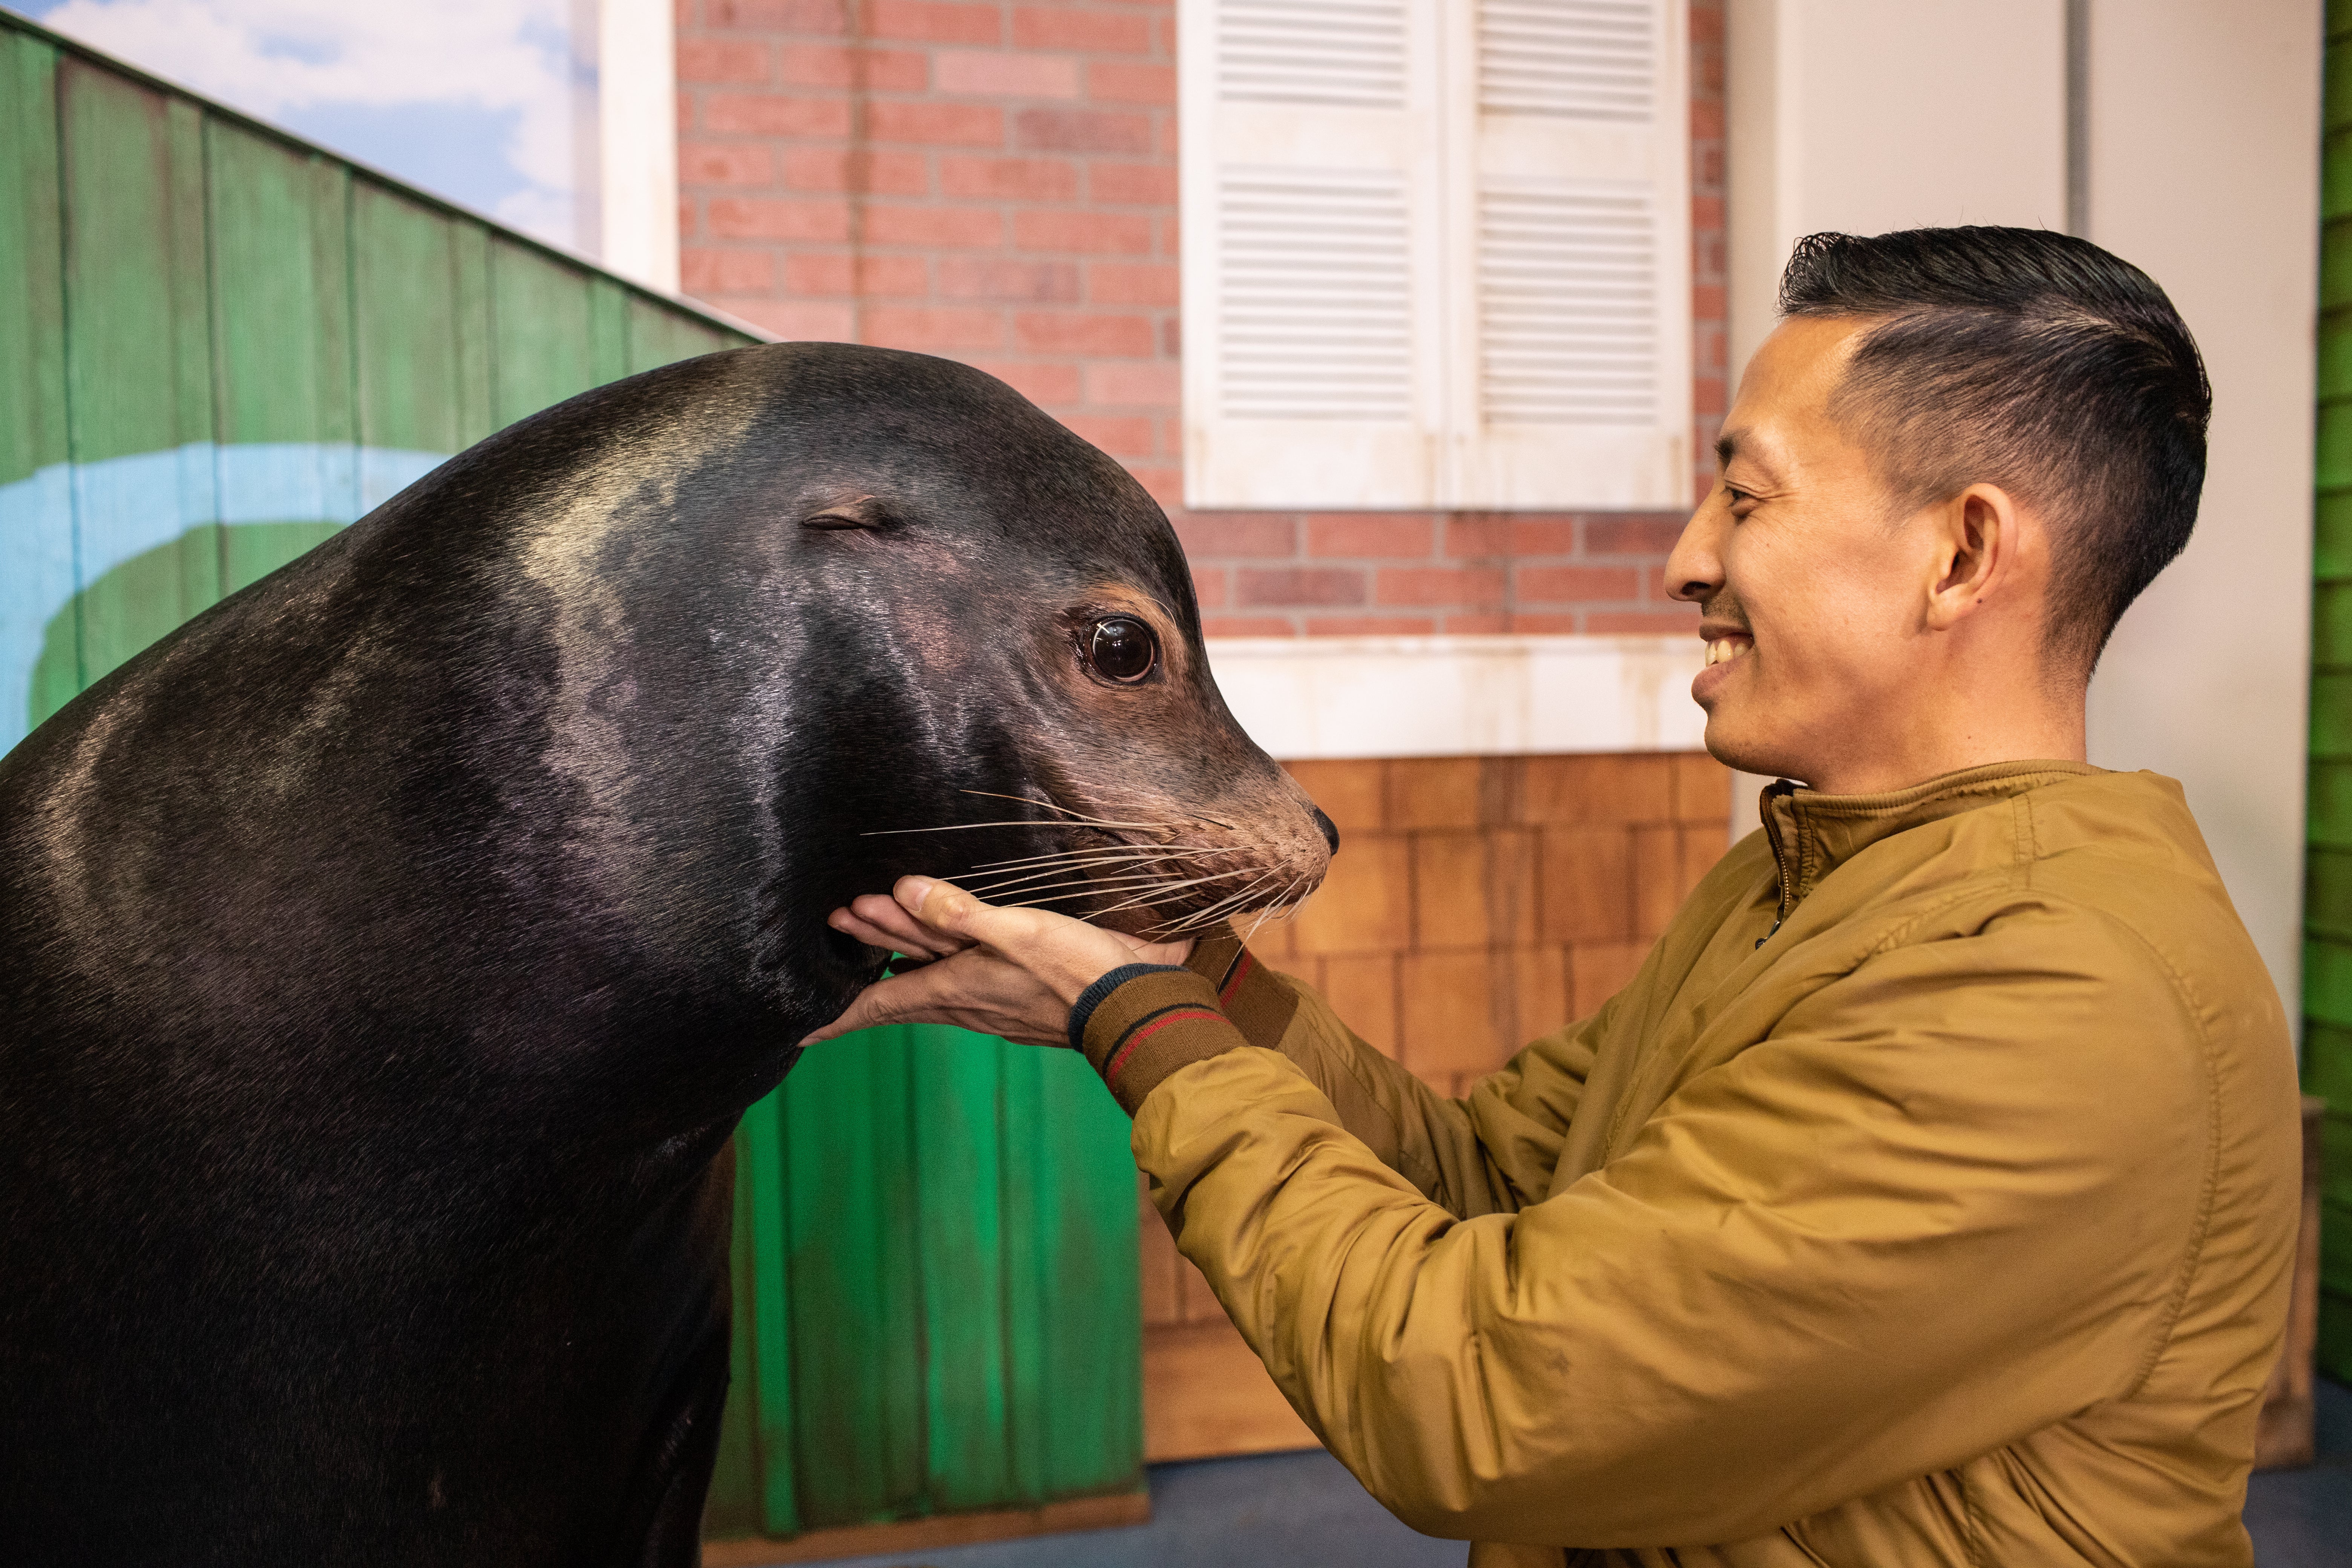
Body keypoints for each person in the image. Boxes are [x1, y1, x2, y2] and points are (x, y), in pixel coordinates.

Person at [807, 228, 2304, 1567]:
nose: (1684, 559)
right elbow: (1487, 1179)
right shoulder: (1807, 881)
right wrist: (1194, 978)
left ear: (1962, 553)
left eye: (1744, 493)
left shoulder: (2058, 994)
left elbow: (1484, 1393)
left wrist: (1140, 1022)